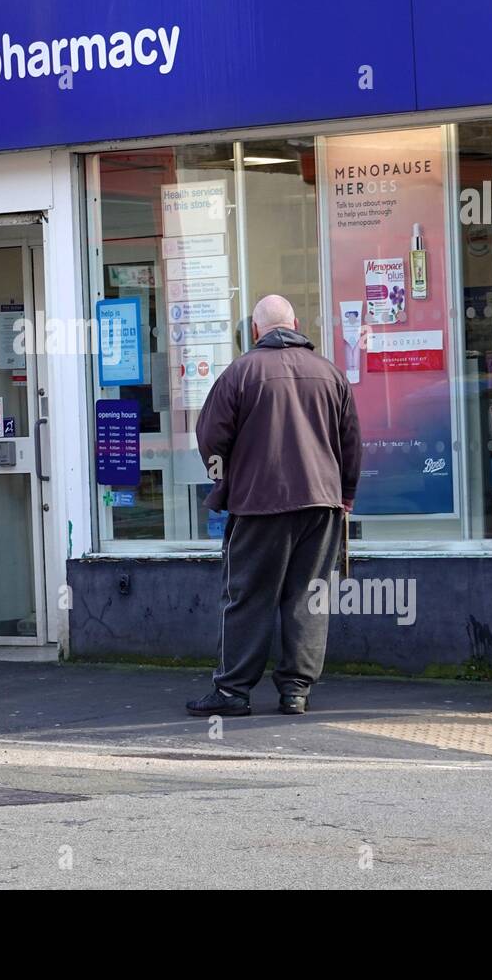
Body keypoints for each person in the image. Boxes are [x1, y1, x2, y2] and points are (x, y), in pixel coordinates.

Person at [187, 295, 361, 718]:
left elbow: (211, 438)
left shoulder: (239, 374)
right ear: (296, 324)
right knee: (307, 597)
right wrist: (345, 494)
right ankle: (296, 692)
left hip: (260, 504)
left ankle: (232, 693)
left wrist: (226, 480)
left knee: (247, 596)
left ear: (255, 330)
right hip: (321, 503)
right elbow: (351, 443)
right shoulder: (330, 373)